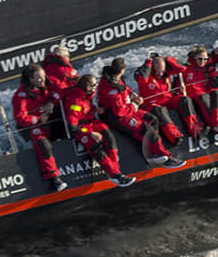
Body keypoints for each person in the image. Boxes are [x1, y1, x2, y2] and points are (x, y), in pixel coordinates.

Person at [99, 62, 184, 165]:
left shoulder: (115, 79)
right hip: (117, 116)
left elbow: (124, 88)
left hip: (127, 109)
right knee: (146, 129)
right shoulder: (112, 89)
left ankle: (154, 150)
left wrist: (132, 95)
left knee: (152, 119)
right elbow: (119, 111)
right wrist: (135, 104)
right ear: (121, 70)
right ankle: (163, 156)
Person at [60, 73, 134, 187]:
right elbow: (73, 127)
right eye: (94, 85)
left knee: (108, 137)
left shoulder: (86, 95)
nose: (96, 86)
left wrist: (95, 109)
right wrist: (91, 133)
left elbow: (86, 109)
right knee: (97, 149)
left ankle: (115, 169)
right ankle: (116, 175)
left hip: (91, 122)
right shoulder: (75, 102)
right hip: (82, 129)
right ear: (88, 86)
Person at [11, 64, 67, 193]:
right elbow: (20, 117)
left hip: (51, 119)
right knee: (43, 144)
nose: (43, 80)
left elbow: (63, 88)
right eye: (39, 78)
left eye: (43, 76)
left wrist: (51, 102)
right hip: (34, 125)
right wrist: (37, 119)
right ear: (30, 79)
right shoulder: (20, 96)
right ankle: (54, 178)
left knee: (72, 127)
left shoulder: (47, 81)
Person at [172, 46, 218, 145]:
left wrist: (212, 72)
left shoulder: (208, 68)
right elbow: (176, 86)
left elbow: (214, 85)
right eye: (200, 59)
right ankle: (214, 125)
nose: (202, 61)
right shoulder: (185, 68)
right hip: (191, 95)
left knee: (216, 93)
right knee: (202, 96)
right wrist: (180, 89)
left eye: (205, 59)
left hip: (203, 93)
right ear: (194, 58)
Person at [137, 54, 202, 140]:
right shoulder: (144, 74)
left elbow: (182, 69)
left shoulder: (166, 73)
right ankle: (174, 136)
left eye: (162, 71)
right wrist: (148, 62)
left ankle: (194, 129)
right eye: (158, 71)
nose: (160, 74)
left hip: (168, 100)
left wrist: (168, 59)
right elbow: (142, 78)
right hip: (152, 105)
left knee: (184, 99)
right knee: (159, 110)